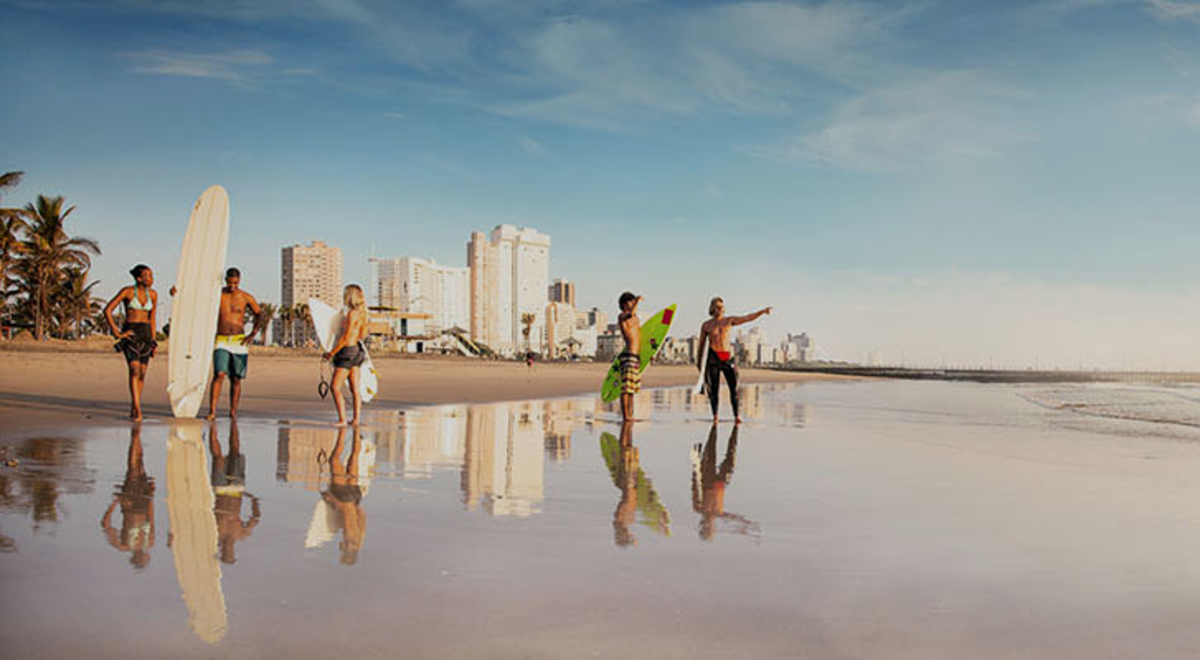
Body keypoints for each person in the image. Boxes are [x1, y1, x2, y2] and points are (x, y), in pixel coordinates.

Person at [696, 297, 772, 423]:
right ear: (712, 309)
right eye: (718, 307)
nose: (721, 309)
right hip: (713, 358)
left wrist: (762, 311)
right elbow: (701, 345)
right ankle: (715, 416)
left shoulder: (729, 320)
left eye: (722, 306)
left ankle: (736, 416)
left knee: (734, 388)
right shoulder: (706, 325)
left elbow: (747, 317)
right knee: (714, 390)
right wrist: (698, 363)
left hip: (727, 358)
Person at [206, 268, 265, 420]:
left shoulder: (245, 297)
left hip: (239, 341)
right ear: (225, 280)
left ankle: (233, 411)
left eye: (235, 283)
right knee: (219, 374)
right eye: (230, 282)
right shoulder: (217, 295)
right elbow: (198, 300)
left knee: (236, 378)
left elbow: (259, 314)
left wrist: (253, 333)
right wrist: (177, 292)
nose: (232, 285)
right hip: (222, 340)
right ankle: (212, 411)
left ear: (239, 280)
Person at [103, 265, 159, 422]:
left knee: (142, 373)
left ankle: (135, 406)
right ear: (139, 278)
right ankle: (138, 409)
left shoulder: (153, 295)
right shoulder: (127, 291)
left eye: (152, 275)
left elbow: (152, 319)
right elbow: (108, 310)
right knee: (134, 370)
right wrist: (116, 332)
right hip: (131, 333)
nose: (151, 279)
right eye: (147, 276)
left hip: (146, 334)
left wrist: (154, 342)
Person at [208, 419, 260, 564]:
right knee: (235, 450)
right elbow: (255, 519)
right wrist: (254, 499)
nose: (228, 550)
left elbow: (203, 519)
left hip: (220, 490)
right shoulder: (241, 534)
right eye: (229, 553)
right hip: (237, 489)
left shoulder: (216, 535)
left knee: (218, 458)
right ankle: (221, 427)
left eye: (226, 553)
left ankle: (213, 428)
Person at [322, 284, 369, 427]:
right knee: (355, 388)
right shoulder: (363, 314)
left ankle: (342, 419)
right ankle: (356, 419)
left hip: (347, 352)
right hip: (357, 351)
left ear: (349, 297)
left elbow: (345, 338)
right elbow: (361, 335)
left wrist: (331, 353)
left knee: (335, 387)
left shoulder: (352, 314)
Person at [617, 292, 642, 422]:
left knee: (632, 388)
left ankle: (630, 414)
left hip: (636, 356)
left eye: (633, 302)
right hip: (628, 355)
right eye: (630, 302)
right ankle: (626, 415)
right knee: (626, 388)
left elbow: (640, 337)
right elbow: (630, 314)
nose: (633, 304)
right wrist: (637, 302)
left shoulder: (636, 318)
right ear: (624, 304)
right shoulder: (622, 317)